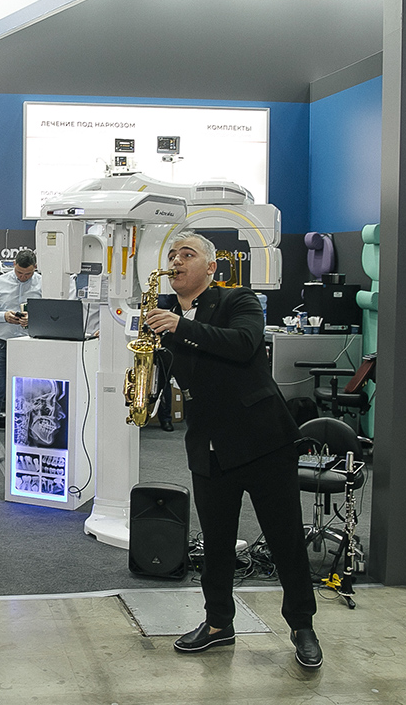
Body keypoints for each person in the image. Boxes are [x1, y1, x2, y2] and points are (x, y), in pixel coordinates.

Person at [144, 231, 322, 669]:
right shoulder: (164, 313)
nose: (176, 261)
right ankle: (218, 623)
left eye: (187, 254)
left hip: (263, 441)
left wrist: (181, 327)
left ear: (210, 267)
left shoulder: (238, 299)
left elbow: (243, 345)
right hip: (208, 444)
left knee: (285, 539)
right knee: (216, 543)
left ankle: (302, 625)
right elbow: (179, 373)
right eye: (172, 255)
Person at [0, 249, 42, 467]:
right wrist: (3, 316)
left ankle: (32, 447)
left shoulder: (44, 283)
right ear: (14, 265)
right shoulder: (0, 282)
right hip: (5, 345)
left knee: (34, 397)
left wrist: (34, 318)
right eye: (20, 273)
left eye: (28, 274)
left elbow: (53, 313)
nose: (23, 277)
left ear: (35, 268)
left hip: (33, 346)